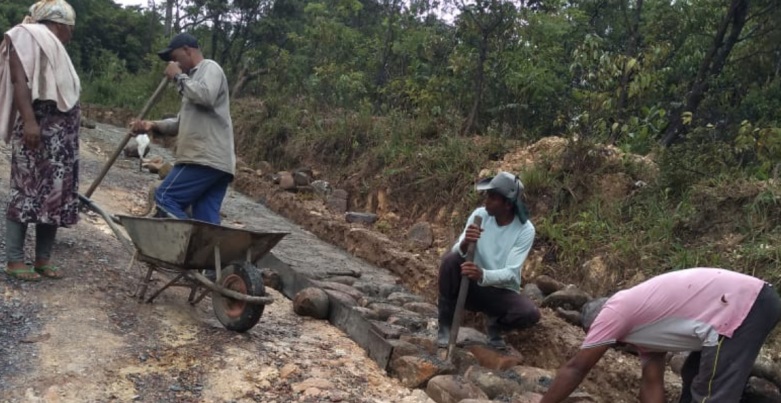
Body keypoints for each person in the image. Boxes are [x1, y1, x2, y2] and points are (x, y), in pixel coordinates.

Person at [540, 268, 781, 403]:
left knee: (710, 395)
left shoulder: (614, 311)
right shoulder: (646, 335)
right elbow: (652, 382)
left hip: (743, 306)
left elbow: (576, 368)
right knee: (692, 373)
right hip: (749, 301)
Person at [0, 0, 80, 281]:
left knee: (55, 196)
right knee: (25, 190)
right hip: (39, 129)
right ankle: (15, 260)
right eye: (70, 29)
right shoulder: (28, 34)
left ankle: (43, 259)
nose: (71, 35)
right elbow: (18, 79)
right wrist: (30, 121)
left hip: (60, 137)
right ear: (59, 25)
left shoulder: (51, 45)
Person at [130, 33, 235, 225]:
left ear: (187, 50)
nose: (173, 62)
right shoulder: (191, 83)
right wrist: (152, 125)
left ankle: (187, 242)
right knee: (206, 221)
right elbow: (180, 123)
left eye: (175, 57)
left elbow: (206, 96)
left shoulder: (209, 68)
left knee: (164, 197)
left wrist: (178, 77)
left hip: (204, 159)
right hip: (216, 164)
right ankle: (204, 253)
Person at [437, 171, 540, 349]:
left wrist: (482, 274)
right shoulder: (480, 215)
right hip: (470, 286)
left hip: (499, 292)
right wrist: (465, 242)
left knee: (529, 313)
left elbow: (511, 273)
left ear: (507, 204)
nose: (486, 201)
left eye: (492, 198)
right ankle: (445, 328)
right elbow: (457, 251)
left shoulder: (525, 230)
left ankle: (495, 326)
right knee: (450, 261)